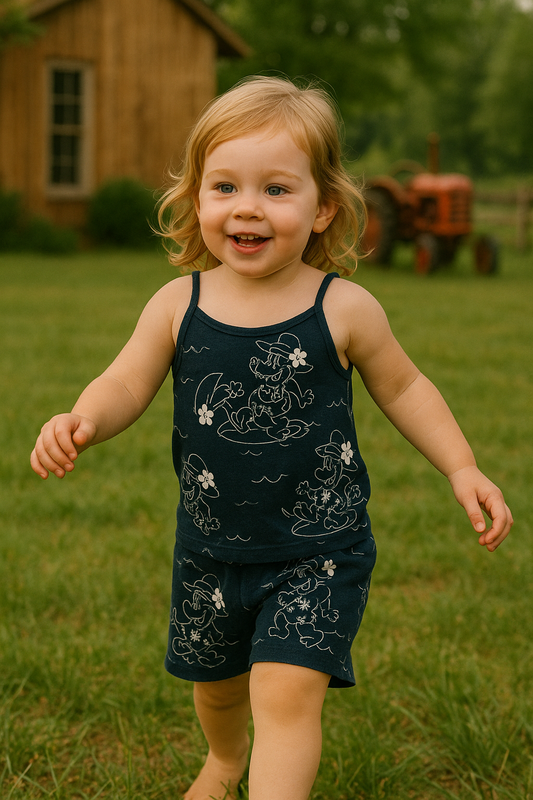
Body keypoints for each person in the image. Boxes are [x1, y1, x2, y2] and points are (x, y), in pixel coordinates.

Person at [31, 76, 513, 800]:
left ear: (323, 208)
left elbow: (406, 388)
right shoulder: (178, 304)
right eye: (225, 186)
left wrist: (461, 466)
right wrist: (82, 419)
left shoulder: (342, 307)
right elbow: (125, 383)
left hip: (318, 551)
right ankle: (225, 762)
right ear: (197, 197)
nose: (247, 206)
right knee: (219, 688)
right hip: (209, 547)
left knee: (283, 696)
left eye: (276, 189)